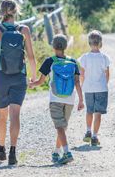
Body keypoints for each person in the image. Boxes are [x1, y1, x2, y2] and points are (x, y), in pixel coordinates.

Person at [0, 0, 37, 166]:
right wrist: (34, 77)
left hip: (0, 76)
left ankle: (1, 147)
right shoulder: (24, 30)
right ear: (16, 11)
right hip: (19, 76)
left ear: (1, 11)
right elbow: (30, 56)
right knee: (15, 114)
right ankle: (13, 151)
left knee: (2, 115)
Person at [29, 34, 84, 165]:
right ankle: (56, 152)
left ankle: (67, 152)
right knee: (62, 127)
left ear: (53, 46)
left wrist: (31, 84)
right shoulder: (73, 62)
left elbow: (40, 81)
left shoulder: (50, 61)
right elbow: (77, 82)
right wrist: (81, 100)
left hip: (55, 98)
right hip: (70, 99)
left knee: (60, 127)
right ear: (65, 46)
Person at [79, 30, 110, 146]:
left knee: (89, 111)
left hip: (88, 88)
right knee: (98, 114)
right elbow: (107, 74)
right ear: (100, 43)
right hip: (101, 88)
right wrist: (104, 84)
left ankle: (88, 130)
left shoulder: (84, 58)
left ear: (89, 43)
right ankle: (95, 136)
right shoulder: (104, 58)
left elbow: (82, 74)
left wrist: (83, 85)